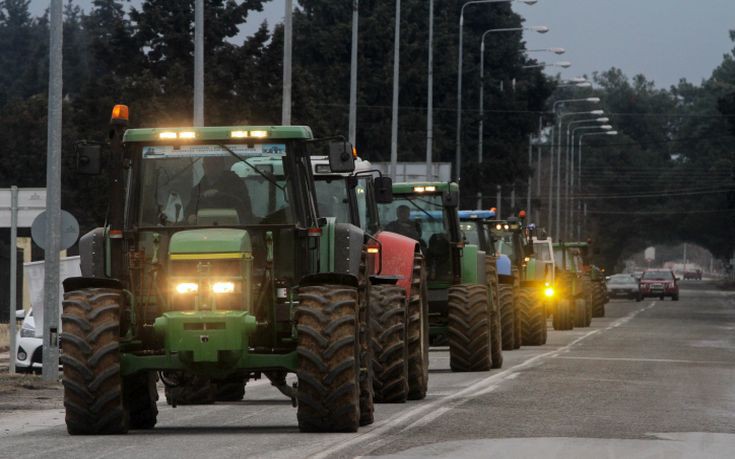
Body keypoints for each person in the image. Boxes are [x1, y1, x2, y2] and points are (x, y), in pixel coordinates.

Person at [186, 156, 253, 223]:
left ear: (223, 165)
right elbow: (190, 210)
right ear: (203, 166)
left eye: (216, 164)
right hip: (203, 231)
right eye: (208, 165)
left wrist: (220, 194)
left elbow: (246, 208)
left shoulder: (236, 184)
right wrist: (190, 216)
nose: (212, 168)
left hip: (235, 229)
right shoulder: (197, 190)